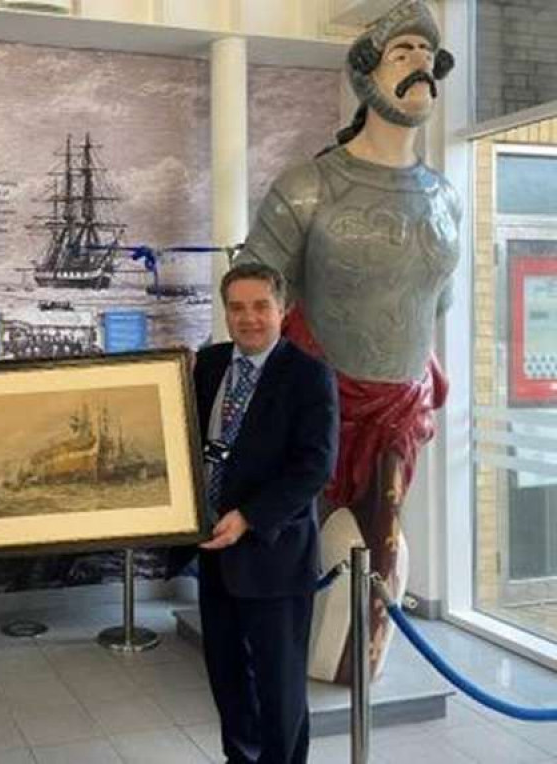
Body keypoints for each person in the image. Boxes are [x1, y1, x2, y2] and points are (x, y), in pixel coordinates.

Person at [235, 0, 461, 684]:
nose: (420, 65)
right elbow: (254, 293)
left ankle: (352, 661)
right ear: (364, 76)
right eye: (402, 53)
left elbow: (435, 306)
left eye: (428, 55)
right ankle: (294, 651)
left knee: (380, 550)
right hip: (319, 400)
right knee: (321, 543)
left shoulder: (447, 199)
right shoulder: (307, 188)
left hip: (403, 404)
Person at [194, 262, 337, 764]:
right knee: (229, 683)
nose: (249, 318)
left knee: (279, 692)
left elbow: (314, 467)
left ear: (283, 309)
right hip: (213, 556)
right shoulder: (206, 365)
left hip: (272, 556)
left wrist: (250, 517)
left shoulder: (310, 376)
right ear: (226, 312)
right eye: (237, 307)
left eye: (261, 306)